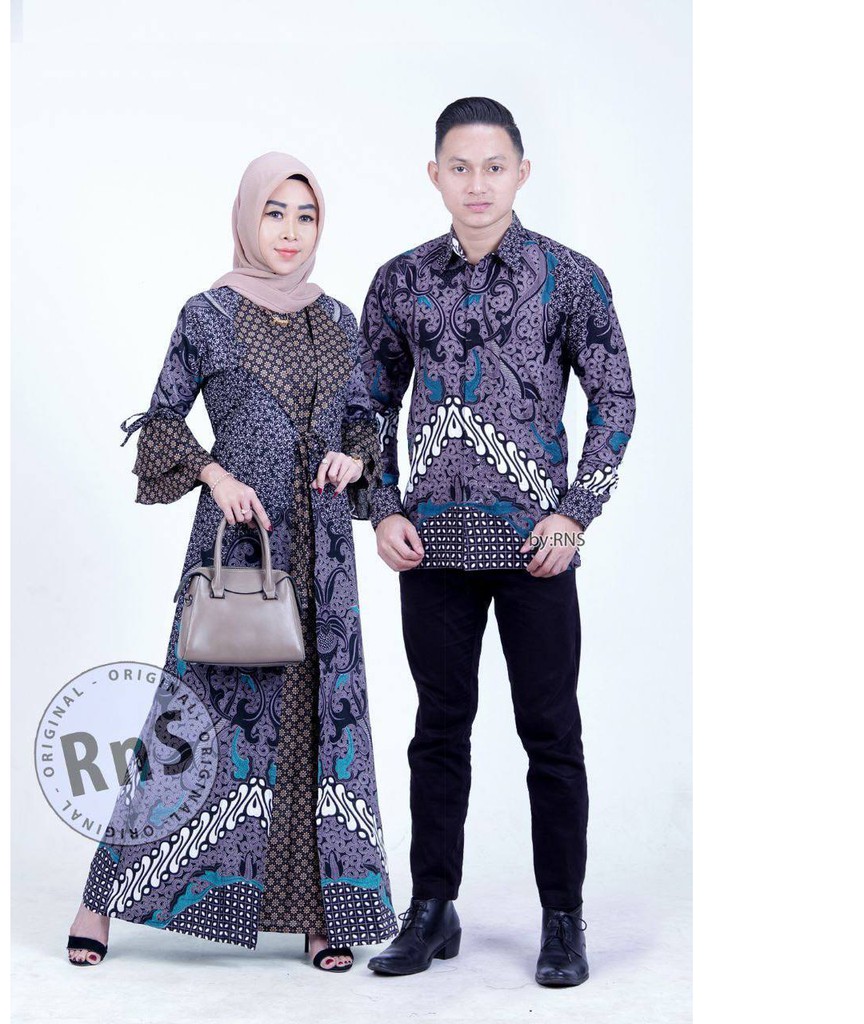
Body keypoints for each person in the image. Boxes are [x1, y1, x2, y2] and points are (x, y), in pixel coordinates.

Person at [66, 152, 398, 972]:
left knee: (319, 723)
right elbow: (161, 419)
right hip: (241, 543)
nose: (290, 231)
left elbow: (367, 420)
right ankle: (99, 900)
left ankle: (322, 913)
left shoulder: (339, 319)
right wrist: (215, 476)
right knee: (191, 723)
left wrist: (356, 458)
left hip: (322, 555)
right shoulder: (207, 313)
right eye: (275, 212)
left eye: (306, 216)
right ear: (248, 217)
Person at [359, 97, 636, 986]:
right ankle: (432, 908)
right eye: (459, 167)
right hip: (432, 549)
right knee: (438, 732)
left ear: (521, 172)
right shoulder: (401, 281)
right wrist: (384, 508)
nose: (476, 184)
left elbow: (615, 399)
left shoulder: (570, 277)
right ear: (434, 174)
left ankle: (563, 919)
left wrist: (577, 512)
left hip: (535, 550)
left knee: (551, 734)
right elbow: (368, 405)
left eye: (493, 166)